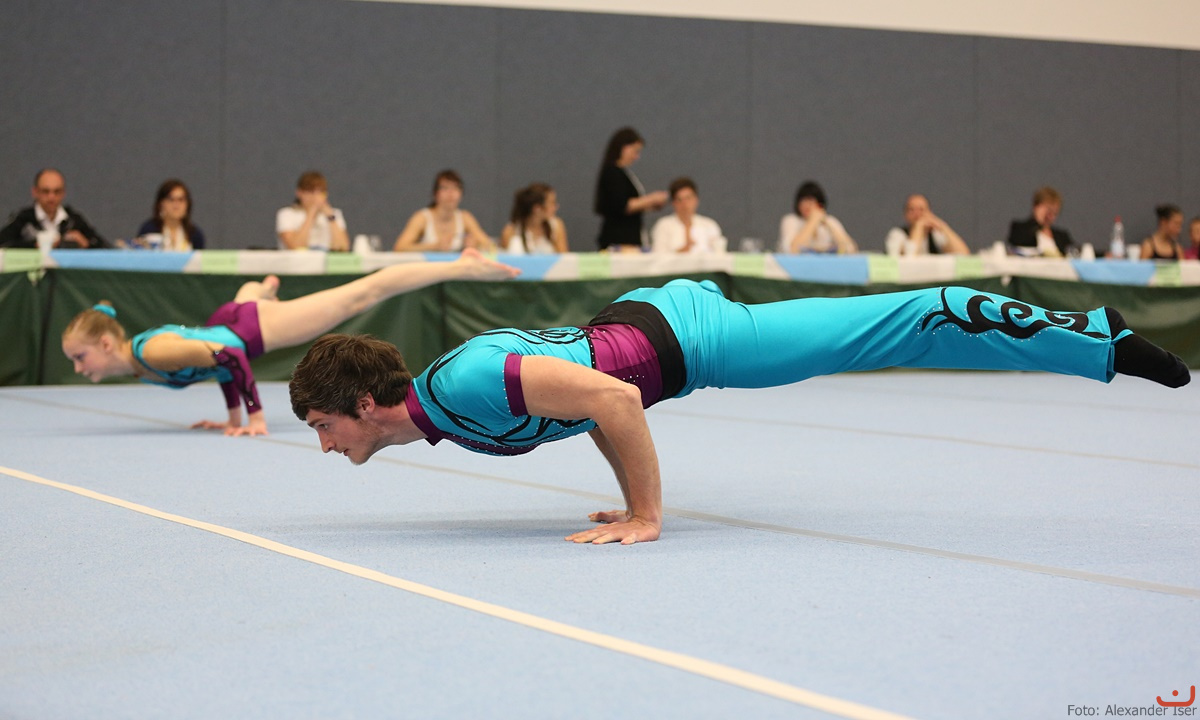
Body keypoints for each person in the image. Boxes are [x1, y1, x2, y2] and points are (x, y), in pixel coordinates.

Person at [290, 278, 1189, 546]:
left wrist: (647, 515)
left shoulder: (460, 387)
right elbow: (595, 408)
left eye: (324, 427)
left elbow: (612, 397)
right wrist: (626, 495)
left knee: (902, 322)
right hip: (651, 326)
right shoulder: (442, 413)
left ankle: (1096, 337)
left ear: (363, 404)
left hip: (696, 338)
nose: (325, 445)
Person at [61, 250, 519, 437]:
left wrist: (254, 417)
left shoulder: (152, 353)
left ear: (107, 344)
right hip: (229, 320)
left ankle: (462, 264)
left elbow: (230, 356)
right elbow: (216, 362)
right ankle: (261, 290)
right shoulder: (140, 362)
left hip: (249, 330)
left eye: (80, 357)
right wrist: (231, 419)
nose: (79, 367)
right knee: (249, 298)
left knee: (363, 293)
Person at [593, 127, 668, 251]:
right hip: (619, 241)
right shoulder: (612, 173)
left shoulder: (623, 173)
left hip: (629, 239)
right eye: (635, 151)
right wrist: (651, 199)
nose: (636, 156)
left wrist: (649, 206)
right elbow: (622, 205)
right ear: (624, 147)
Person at [0, 168, 108, 249]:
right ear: (35, 192)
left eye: (57, 192)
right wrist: (34, 245)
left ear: (63, 193)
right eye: (45, 192)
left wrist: (85, 244)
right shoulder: (23, 220)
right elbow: (3, 243)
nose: (51, 197)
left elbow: (104, 247)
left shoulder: (73, 221)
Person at [393, 170, 493, 252]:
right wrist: (433, 247)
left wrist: (475, 245)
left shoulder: (465, 218)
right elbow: (400, 247)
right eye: (445, 188)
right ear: (435, 194)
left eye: (455, 188)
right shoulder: (422, 218)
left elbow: (488, 245)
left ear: (461, 194)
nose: (450, 193)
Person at [276, 171, 350, 252]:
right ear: (299, 193)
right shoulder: (287, 214)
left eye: (321, 192)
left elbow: (342, 247)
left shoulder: (335, 214)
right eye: (311, 192)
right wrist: (311, 214)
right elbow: (295, 246)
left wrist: (330, 217)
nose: (316, 196)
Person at [777, 180, 857, 254]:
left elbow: (851, 249)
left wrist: (827, 224)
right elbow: (792, 249)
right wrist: (813, 221)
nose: (806, 205)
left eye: (811, 201)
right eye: (803, 201)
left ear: (820, 204)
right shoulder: (791, 220)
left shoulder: (830, 221)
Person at [650, 177, 726, 254]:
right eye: (679, 200)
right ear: (673, 203)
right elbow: (658, 255)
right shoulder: (663, 226)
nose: (685, 204)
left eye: (688, 198)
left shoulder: (709, 225)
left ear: (696, 200)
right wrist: (680, 252)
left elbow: (719, 253)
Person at [884, 194, 969, 256]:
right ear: (905, 214)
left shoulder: (935, 235)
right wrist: (918, 228)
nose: (917, 214)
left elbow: (963, 253)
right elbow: (909, 256)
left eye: (921, 210)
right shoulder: (897, 234)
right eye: (911, 210)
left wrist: (943, 227)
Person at [135, 179, 207, 251]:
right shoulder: (149, 230)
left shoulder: (195, 234)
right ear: (161, 204)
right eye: (171, 200)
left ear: (188, 204)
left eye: (181, 200)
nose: (176, 205)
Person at [499, 183, 569, 254]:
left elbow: (563, 256)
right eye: (552, 203)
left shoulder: (556, 226)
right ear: (537, 208)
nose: (556, 207)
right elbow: (504, 258)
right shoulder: (511, 231)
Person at [1007, 186, 1074, 257]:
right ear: (1036, 207)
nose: (1050, 216)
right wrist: (1038, 221)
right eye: (1047, 210)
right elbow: (1019, 242)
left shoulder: (1062, 236)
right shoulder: (1019, 228)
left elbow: (1073, 252)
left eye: (1054, 213)